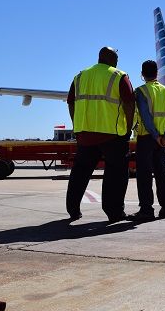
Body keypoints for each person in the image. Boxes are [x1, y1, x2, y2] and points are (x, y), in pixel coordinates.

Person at [66, 47, 135, 223]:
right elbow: (129, 103)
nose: (118, 62)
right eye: (117, 58)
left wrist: (76, 124)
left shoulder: (80, 76)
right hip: (111, 134)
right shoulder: (118, 75)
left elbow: (70, 102)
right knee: (116, 174)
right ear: (112, 59)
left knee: (80, 172)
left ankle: (73, 210)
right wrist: (128, 127)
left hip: (85, 134)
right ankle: (114, 212)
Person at [128, 60, 165, 221]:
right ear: (157, 73)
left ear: (142, 75)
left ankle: (146, 210)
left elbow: (145, 116)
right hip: (161, 139)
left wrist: (155, 136)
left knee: (144, 175)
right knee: (162, 174)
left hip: (147, 138)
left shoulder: (141, 91)